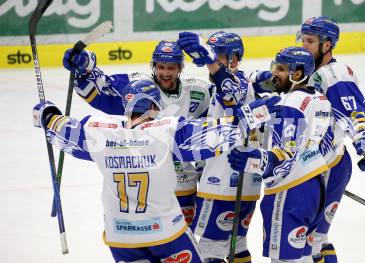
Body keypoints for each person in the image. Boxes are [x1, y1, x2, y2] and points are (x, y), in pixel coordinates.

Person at [32, 79, 280, 262]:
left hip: (121, 237)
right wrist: (250, 117)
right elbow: (214, 136)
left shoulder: (100, 133)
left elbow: (63, 132)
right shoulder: (165, 132)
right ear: (154, 106)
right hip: (164, 233)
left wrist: (47, 115)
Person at [62, 40, 213, 225]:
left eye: (171, 68)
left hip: (184, 183)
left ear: (180, 68)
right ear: (154, 66)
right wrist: (84, 65)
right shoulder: (139, 85)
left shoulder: (199, 91)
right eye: (161, 67)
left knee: (182, 239)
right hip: (149, 179)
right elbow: (102, 87)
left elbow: (217, 116)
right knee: (151, 235)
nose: (165, 73)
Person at [228, 47, 332, 263]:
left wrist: (254, 161)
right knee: (302, 257)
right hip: (315, 186)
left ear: (297, 74)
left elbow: (284, 154)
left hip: (290, 191)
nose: (275, 73)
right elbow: (320, 145)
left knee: (284, 261)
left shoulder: (291, 103)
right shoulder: (321, 100)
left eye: (282, 69)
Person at [298, 17, 365, 262]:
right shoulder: (312, 70)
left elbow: (354, 111)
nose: (304, 46)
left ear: (327, 45)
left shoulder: (334, 74)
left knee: (311, 242)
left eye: (310, 41)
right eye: (303, 40)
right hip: (316, 165)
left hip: (328, 167)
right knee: (312, 240)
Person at [177, 31, 259, 262]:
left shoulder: (236, 84)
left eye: (219, 55)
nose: (212, 59)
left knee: (207, 250)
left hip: (222, 185)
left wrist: (211, 61)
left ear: (233, 59)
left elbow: (230, 92)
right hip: (245, 185)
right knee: (238, 245)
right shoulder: (244, 84)